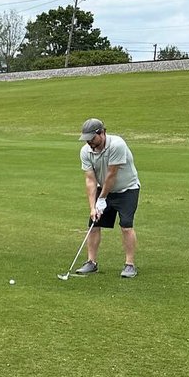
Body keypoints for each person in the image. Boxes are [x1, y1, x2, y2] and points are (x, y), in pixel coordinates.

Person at [75, 118, 140, 278]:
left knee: (126, 225)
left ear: (102, 132)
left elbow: (112, 175)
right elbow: (90, 180)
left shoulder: (117, 144)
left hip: (127, 190)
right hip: (102, 189)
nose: (89, 142)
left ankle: (130, 265)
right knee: (94, 224)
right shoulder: (85, 151)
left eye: (92, 138)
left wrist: (102, 198)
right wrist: (93, 206)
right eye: (87, 139)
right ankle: (91, 262)